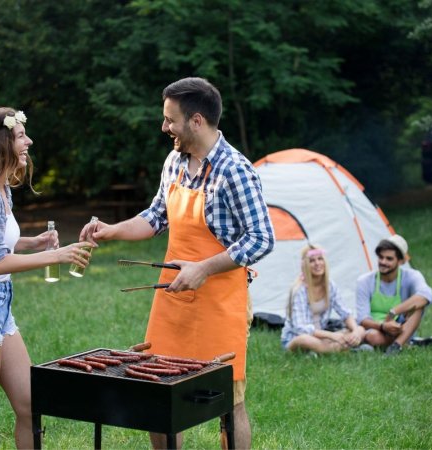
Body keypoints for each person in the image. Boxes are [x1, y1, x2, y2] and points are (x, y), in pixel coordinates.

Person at [80, 77, 274, 449]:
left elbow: (262, 238)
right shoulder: (175, 161)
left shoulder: (235, 170)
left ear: (197, 121)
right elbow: (156, 216)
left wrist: (203, 269)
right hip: (173, 297)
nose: (164, 127)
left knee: (227, 403)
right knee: (158, 392)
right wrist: (112, 230)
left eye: (170, 120)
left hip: (221, 300)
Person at [0, 107, 95, 449]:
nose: (29, 141)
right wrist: (54, 255)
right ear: (2, 142)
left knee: (30, 405)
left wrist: (33, 243)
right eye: (21, 135)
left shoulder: (2, 190)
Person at [355, 234, 432, 356]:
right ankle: (408, 342)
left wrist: (394, 311)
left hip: (401, 327)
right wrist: (384, 325)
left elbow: (427, 295)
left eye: (389, 259)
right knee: (372, 337)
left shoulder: (411, 276)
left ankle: (396, 346)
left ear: (401, 261)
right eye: (381, 257)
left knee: (418, 305)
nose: (383, 262)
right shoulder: (364, 281)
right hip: (378, 329)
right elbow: (363, 319)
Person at [281, 245, 367, 354]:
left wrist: (355, 331)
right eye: (312, 261)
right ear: (305, 265)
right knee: (304, 339)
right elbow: (301, 329)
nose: (317, 263)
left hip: (320, 337)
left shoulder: (330, 285)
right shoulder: (299, 290)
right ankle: (344, 348)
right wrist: (331, 335)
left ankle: (325, 350)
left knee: (361, 330)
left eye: (320, 259)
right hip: (296, 339)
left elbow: (345, 313)